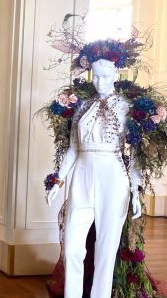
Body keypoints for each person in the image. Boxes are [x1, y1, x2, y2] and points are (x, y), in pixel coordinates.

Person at [46, 58, 142, 298]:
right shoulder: (81, 107)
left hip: (113, 176)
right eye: (95, 76)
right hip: (82, 175)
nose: (99, 82)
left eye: (105, 77)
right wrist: (58, 181)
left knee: (106, 249)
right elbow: (72, 149)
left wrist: (136, 190)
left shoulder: (126, 107)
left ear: (115, 76)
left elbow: (136, 152)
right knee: (72, 248)